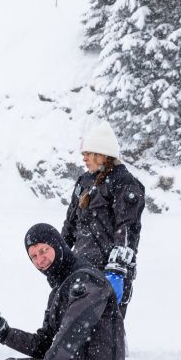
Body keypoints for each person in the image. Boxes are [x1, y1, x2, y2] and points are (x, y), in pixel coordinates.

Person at [0, 223, 126, 360]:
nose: (39, 261)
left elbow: (78, 324)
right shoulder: (60, 288)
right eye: (33, 256)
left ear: (58, 245)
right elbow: (45, 344)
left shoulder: (86, 278)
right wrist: (1, 331)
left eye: (43, 251)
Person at [62, 120, 145, 316]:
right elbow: (71, 224)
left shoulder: (125, 183)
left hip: (109, 271)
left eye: (89, 154)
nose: (84, 158)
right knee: (72, 330)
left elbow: (127, 228)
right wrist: (60, 254)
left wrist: (117, 269)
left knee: (104, 337)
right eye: (84, 154)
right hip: (80, 268)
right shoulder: (84, 181)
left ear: (104, 155)